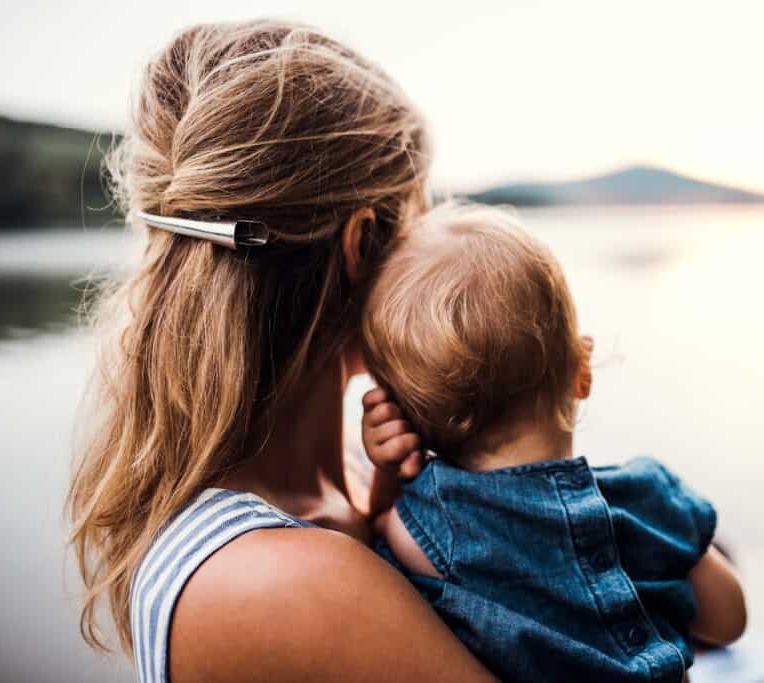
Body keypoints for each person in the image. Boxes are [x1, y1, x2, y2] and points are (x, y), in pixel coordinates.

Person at [68, 19, 498, 683]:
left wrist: (378, 503)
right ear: (360, 247)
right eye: (419, 229)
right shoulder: (293, 584)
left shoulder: (280, 520)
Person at [358, 204, 747, 682]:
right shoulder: (646, 501)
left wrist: (390, 473)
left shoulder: (435, 526)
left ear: (414, 418)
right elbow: (730, 621)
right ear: (582, 370)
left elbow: (375, 533)